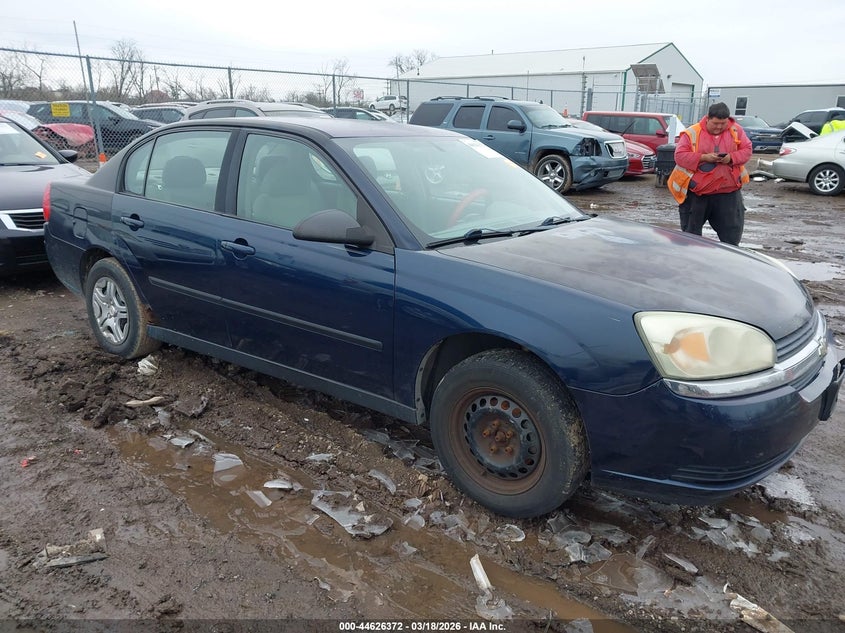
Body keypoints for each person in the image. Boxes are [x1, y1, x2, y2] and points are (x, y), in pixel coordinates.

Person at [667, 102, 752, 245]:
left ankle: (728, 263)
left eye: (723, 123)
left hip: (728, 193)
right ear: (707, 119)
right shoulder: (692, 132)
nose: (719, 127)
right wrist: (704, 157)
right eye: (715, 123)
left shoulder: (736, 131)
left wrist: (731, 158)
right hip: (698, 194)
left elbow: (747, 151)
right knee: (690, 236)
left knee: (732, 237)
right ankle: (692, 263)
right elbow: (680, 156)